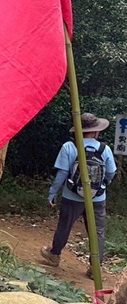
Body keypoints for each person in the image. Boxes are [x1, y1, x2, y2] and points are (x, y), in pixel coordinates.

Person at [40, 113, 117, 271]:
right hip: (97, 198)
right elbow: (111, 172)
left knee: (64, 226)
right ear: (96, 132)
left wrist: (52, 193)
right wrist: (103, 184)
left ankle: (54, 256)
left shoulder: (69, 147)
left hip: (72, 196)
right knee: (97, 232)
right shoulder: (105, 149)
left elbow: (61, 174)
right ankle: (95, 267)